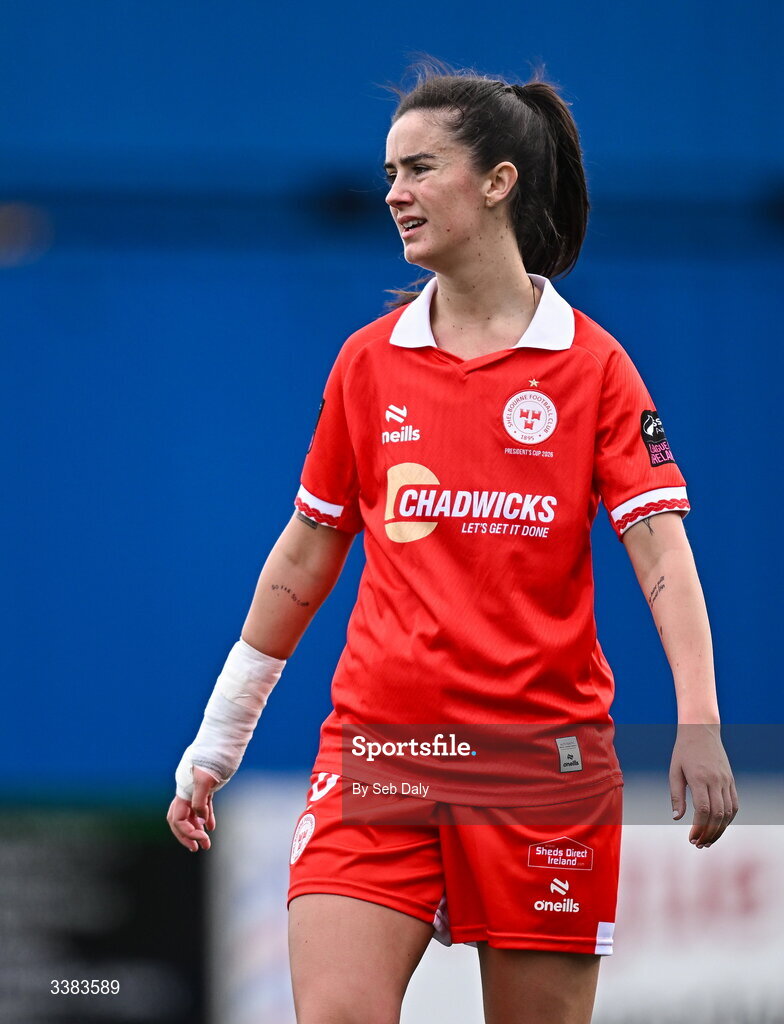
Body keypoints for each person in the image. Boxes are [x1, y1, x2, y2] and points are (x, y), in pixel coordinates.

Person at [167, 64, 738, 1024]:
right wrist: (218, 739)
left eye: (419, 167)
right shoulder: (367, 361)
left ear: (499, 181)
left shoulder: (595, 367)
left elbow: (661, 554)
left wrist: (700, 718)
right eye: (390, 171)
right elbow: (303, 560)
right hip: (380, 755)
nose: (393, 192)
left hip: (539, 768)